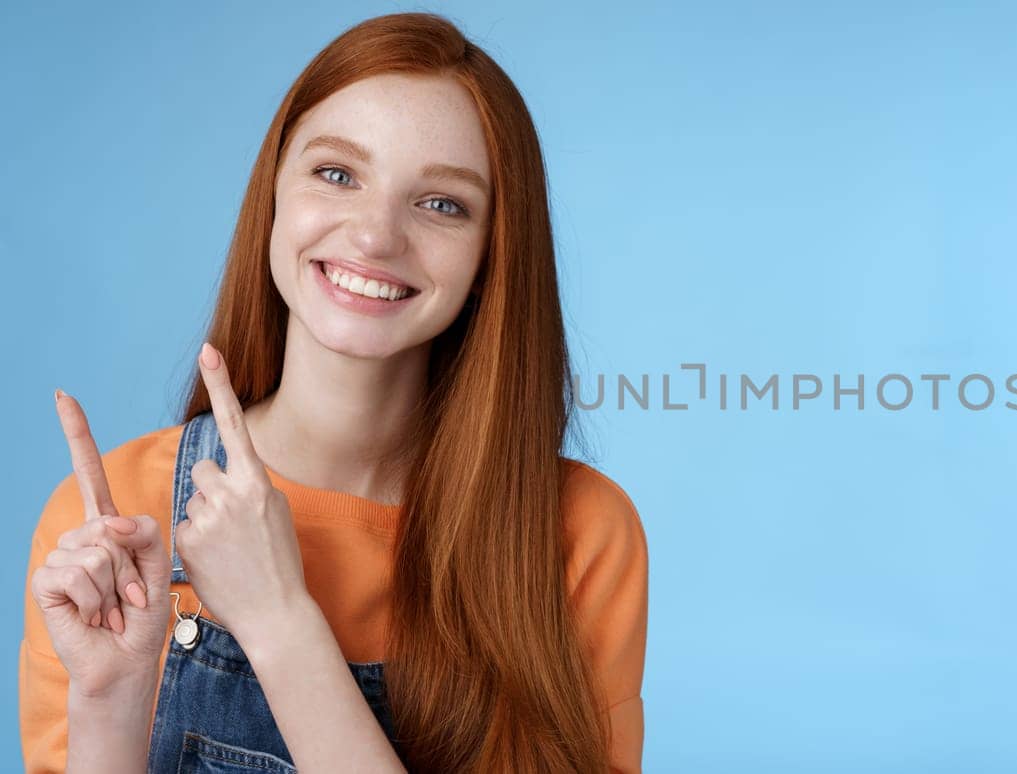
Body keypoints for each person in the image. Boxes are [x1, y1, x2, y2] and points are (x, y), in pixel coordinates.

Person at [19, 12, 648, 773]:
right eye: (338, 174)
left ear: (492, 255)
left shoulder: (578, 536)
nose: (377, 235)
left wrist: (281, 622)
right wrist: (108, 705)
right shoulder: (115, 512)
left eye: (443, 203)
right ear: (274, 195)